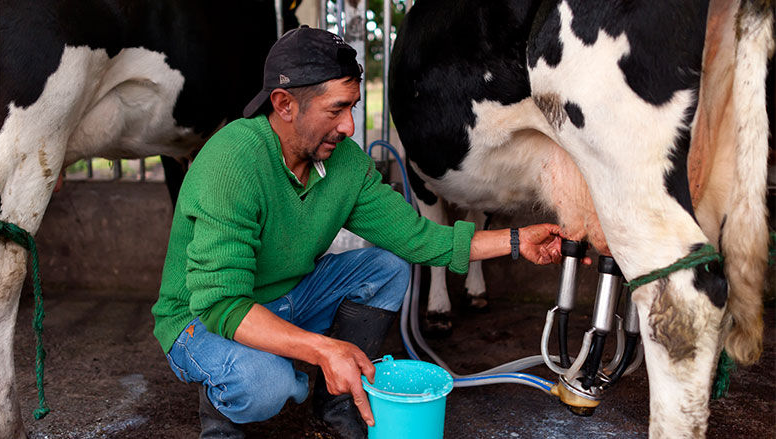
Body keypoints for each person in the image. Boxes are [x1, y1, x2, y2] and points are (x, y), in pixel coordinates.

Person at [151, 26, 572, 439]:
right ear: (284, 104)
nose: (350, 126)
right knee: (267, 387)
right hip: (201, 318)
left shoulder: (343, 164)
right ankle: (222, 417)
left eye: (352, 107)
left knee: (386, 268)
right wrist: (322, 350)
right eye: (336, 109)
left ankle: (334, 410)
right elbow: (222, 304)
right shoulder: (234, 161)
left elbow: (418, 238)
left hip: (285, 297)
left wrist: (517, 241)